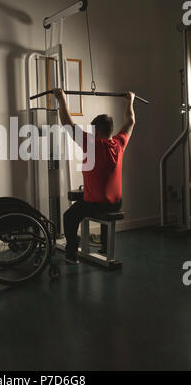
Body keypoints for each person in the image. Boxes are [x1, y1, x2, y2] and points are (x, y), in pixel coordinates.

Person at [52, 89, 135, 264]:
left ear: (96, 130)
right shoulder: (119, 144)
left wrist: (61, 99)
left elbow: (67, 124)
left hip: (96, 204)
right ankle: (105, 246)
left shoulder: (90, 144)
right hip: (116, 202)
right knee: (89, 197)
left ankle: (72, 254)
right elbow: (131, 121)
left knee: (69, 216)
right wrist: (130, 101)